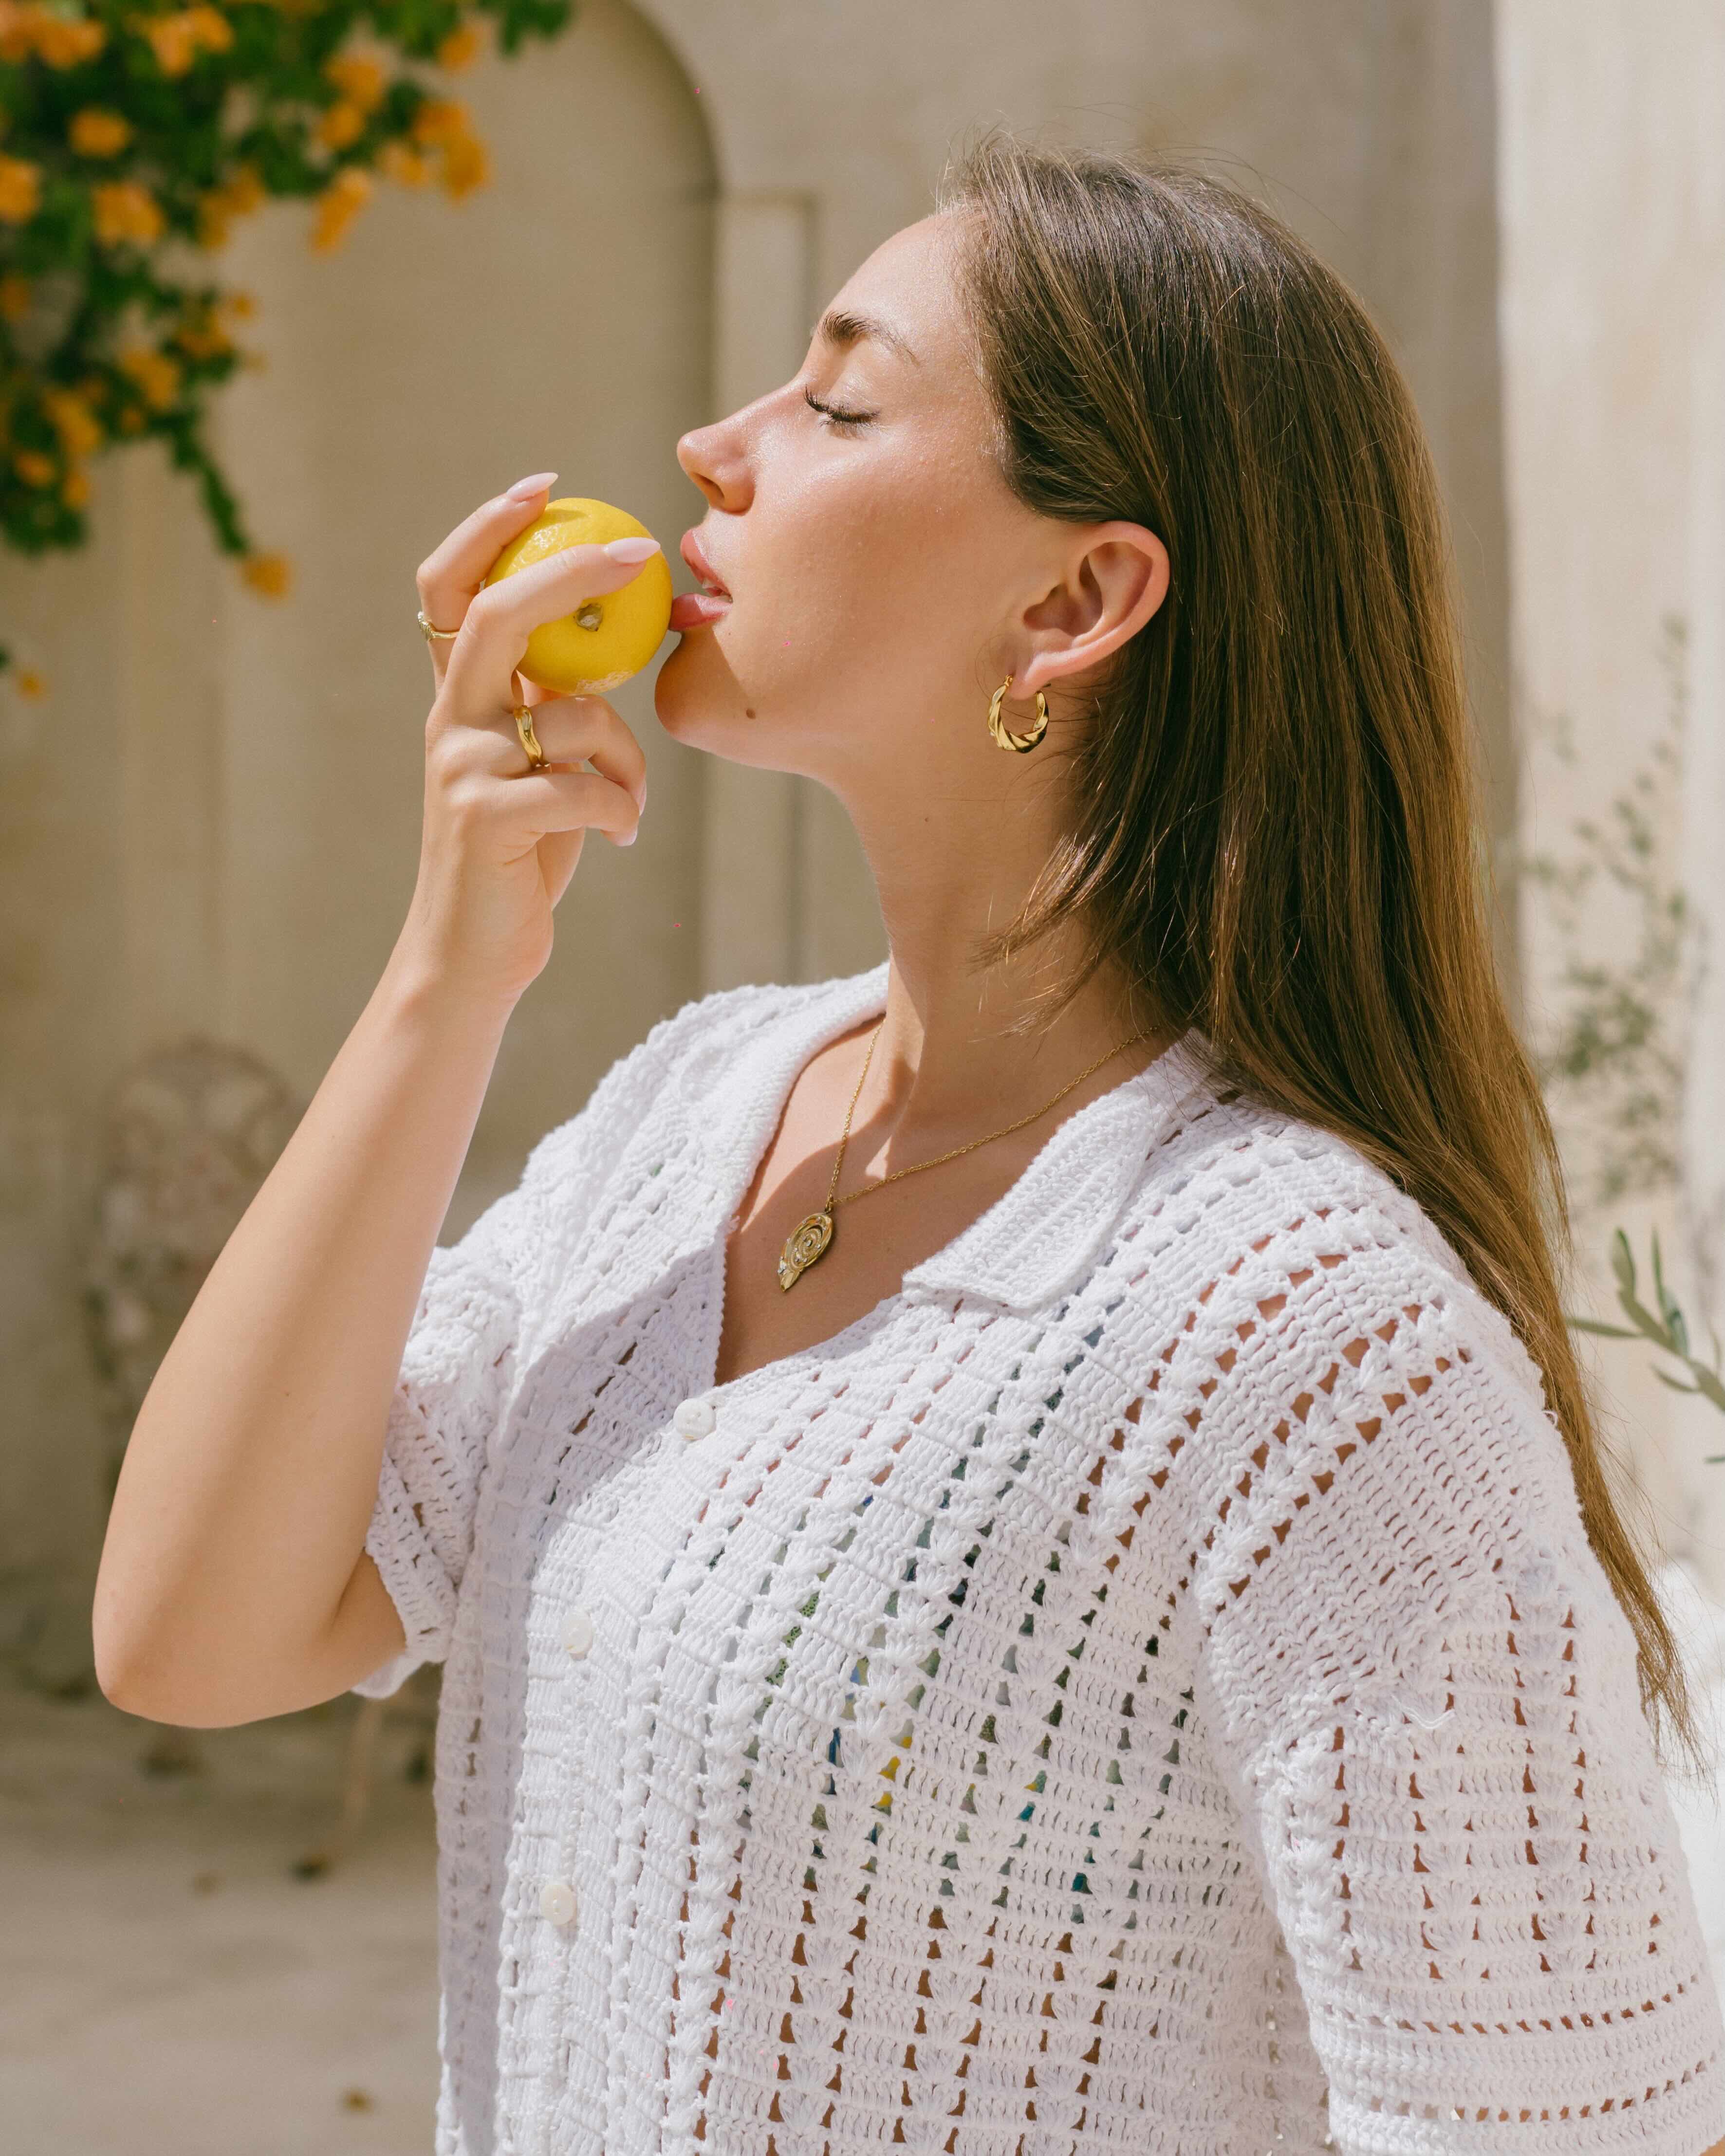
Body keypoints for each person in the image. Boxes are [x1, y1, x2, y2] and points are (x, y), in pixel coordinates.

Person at [93, 133, 1725, 2156]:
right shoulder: (693, 1116)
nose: (712, 442)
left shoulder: (1306, 1332)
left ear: (1072, 598)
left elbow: (1575, 2122)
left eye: (839, 399)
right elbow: (195, 1630)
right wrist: (449, 972)